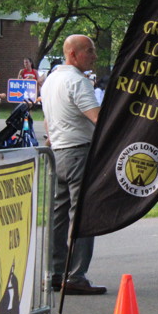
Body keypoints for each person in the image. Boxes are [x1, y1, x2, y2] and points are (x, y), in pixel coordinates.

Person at [41, 34, 106, 295]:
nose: (94, 56)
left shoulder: (51, 80)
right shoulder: (78, 81)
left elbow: (47, 121)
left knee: (59, 214)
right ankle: (76, 275)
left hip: (58, 151)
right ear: (72, 54)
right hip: (79, 151)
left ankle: (56, 271)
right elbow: (97, 118)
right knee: (82, 214)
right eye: (89, 51)